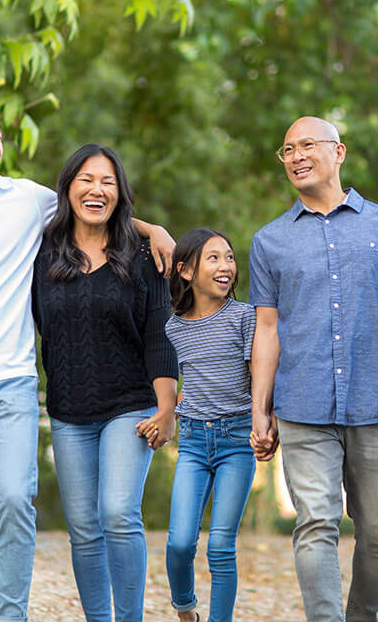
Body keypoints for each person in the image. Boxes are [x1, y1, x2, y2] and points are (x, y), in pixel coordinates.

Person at [0, 98, 173, 622]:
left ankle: (12, 617)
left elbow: (98, 211)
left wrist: (153, 231)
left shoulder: (27, 199)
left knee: (18, 503)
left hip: (14, 380)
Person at [247, 116, 378, 622]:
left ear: (339, 151)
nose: (296, 156)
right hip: (302, 403)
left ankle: (362, 616)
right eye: (286, 150)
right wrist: (260, 410)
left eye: (307, 145)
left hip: (376, 402)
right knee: (316, 522)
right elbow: (267, 330)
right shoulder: (269, 241)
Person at [30, 143, 178, 622]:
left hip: (130, 405)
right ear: (68, 187)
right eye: (86, 180)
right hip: (68, 409)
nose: (96, 190)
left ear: (120, 194)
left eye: (108, 182)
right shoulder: (41, 251)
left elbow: (160, 335)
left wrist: (166, 408)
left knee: (117, 513)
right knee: (83, 529)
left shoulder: (142, 256)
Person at [163, 228, 258, 622]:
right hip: (194, 442)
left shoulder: (245, 316)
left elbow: (260, 376)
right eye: (214, 258)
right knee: (180, 543)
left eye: (230, 257)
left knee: (221, 545)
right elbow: (168, 378)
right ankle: (185, 607)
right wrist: (169, 405)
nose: (226, 266)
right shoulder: (172, 328)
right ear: (185, 271)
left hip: (238, 440)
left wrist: (267, 420)